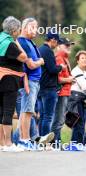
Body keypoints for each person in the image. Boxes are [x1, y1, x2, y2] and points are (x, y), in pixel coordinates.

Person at [0, 16, 38, 152]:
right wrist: (17, 41)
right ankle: (9, 144)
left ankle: (2, 143)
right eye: (18, 29)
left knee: (1, 112)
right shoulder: (10, 43)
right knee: (8, 112)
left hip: (1, 78)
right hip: (9, 80)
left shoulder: (1, 39)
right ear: (14, 30)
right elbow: (23, 57)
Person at [16, 17, 49, 150]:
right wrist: (40, 61)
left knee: (28, 110)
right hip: (29, 81)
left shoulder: (29, 42)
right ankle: (24, 139)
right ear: (25, 27)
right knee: (27, 111)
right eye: (33, 27)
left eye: (36, 27)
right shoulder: (23, 42)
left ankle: (24, 139)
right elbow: (30, 64)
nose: (36, 30)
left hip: (34, 81)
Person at [38, 29, 65, 136]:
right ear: (53, 40)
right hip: (49, 88)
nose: (57, 44)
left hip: (41, 87)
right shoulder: (48, 51)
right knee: (48, 117)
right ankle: (45, 142)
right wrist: (61, 67)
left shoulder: (40, 49)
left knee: (43, 116)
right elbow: (52, 69)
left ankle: (40, 140)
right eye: (57, 41)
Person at [70, 50, 86, 144]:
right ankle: (76, 144)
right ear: (77, 60)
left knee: (81, 122)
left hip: (82, 100)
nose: (84, 60)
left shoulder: (85, 72)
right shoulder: (76, 71)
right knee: (79, 123)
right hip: (75, 99)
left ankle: (76, 144)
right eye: (82, 58)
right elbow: (84, 86)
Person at [51, 38, 75, 144]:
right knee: (58, 119)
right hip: (60, 93)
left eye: (70, 45)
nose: (69, 46)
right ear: (59, 46)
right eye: (66, 45)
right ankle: (54, 142)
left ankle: (57, 141)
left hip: (65, 92)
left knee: (60, 119)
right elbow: (57, 79)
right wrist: (69, 79)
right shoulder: (58, 58)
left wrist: (70, 79)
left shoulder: (64, 58)